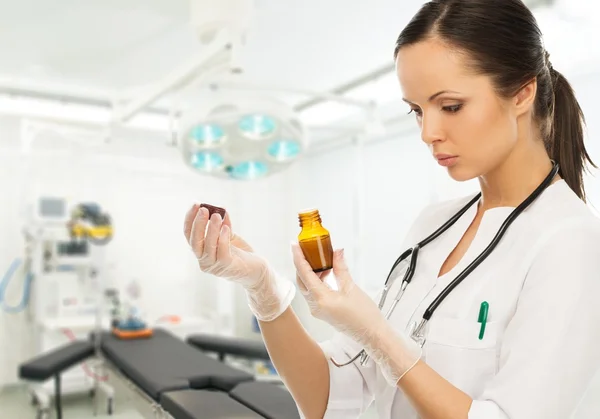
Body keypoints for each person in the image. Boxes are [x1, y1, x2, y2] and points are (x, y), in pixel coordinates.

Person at [183, 0, 600, 417]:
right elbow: (328, 396)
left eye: (451, 106)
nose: (428, 132)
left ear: (522, 93)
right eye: (417, 111)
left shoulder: (568, 241)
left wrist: (379, 336)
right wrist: (263, 289)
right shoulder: (433, 226)